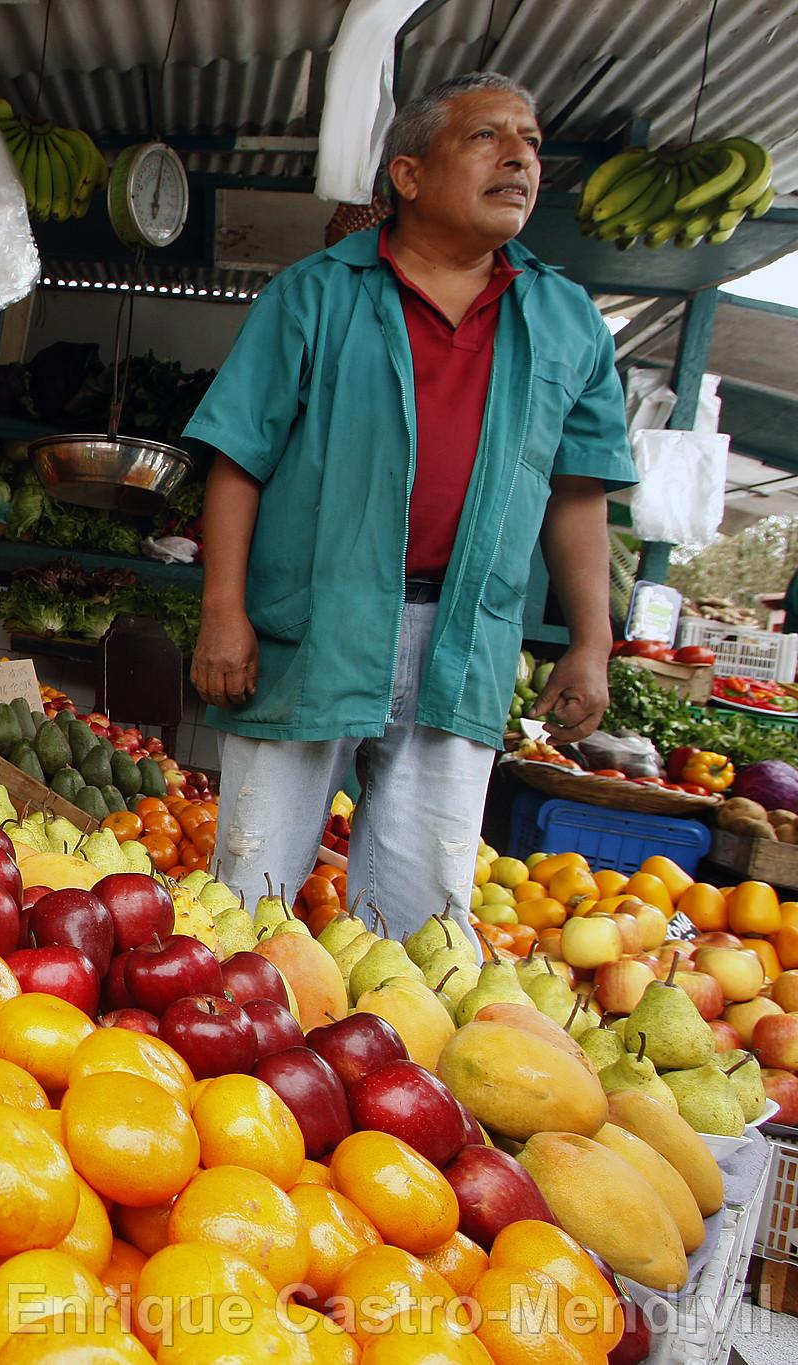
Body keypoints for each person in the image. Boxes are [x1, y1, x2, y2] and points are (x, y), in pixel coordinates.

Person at [181, 72, 635, 941]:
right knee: (248, 884)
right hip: (310, 626)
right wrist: (222, 611)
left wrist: (591, 640)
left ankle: (386, 1061)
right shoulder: (314, 294)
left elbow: (579, 494)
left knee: (424, 913)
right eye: (487, 138)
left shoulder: (568, 321)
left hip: (466, 638)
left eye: (532, 141)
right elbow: (239, 462)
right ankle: (227, 1055)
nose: (520, 157)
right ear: (410, 174)